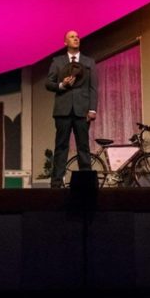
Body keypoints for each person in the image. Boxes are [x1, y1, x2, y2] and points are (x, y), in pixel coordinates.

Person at [45, 30, 98, 188]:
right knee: (61, 146)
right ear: (65, 42)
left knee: (83, 146)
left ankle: (86, 184)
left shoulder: (89, 62)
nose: (76, 38)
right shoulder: (58, 61)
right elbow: (48, 83)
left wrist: (93, 109)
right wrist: (62, 85)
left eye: (77, 37)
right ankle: (56, 183)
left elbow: (93, 87)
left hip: (82, 110)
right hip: (63, 110)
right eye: (72, 37)